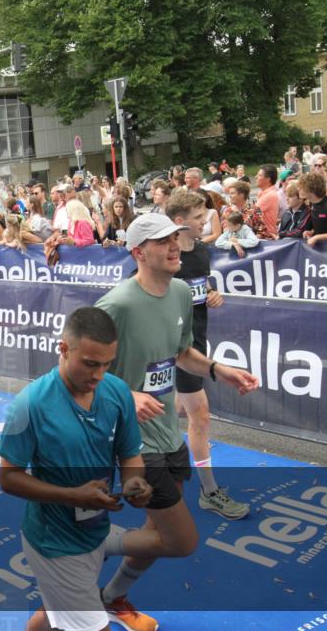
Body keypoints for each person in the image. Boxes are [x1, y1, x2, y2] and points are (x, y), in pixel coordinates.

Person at [95, 212, 259, 631]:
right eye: (162, 241)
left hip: (168, 432)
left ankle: (110, 597)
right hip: (130, 440)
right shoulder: (116, 305)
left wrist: (219, 368)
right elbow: (75, 368)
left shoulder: (183, 291)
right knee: (179, 540)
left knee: (156, 530)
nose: (174, 246)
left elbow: (182, 352)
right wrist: (126, 394)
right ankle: (83, 548)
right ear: (138, 252)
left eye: (176, 237)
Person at [0, 307, 156, 631]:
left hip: (95, 531)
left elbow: (129, 454)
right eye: (90, 363)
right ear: (64, 348)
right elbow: (9, 478)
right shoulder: (29, 405)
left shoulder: (116, 392)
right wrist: (72, 496)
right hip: (54, 543)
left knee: (52, 608)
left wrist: (135, 482)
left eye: (107, 363)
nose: (99, 374)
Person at [164, 191, 249, 519]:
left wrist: (211, 292)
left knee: (169, 412)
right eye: (200, 219)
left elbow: (201, 286)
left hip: (197, 342)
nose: (207, 223)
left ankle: (148, 458)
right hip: (173, 347)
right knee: (199, 417)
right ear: (181, 222)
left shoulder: (200, 252)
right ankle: (209, 491)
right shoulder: (163, 254)